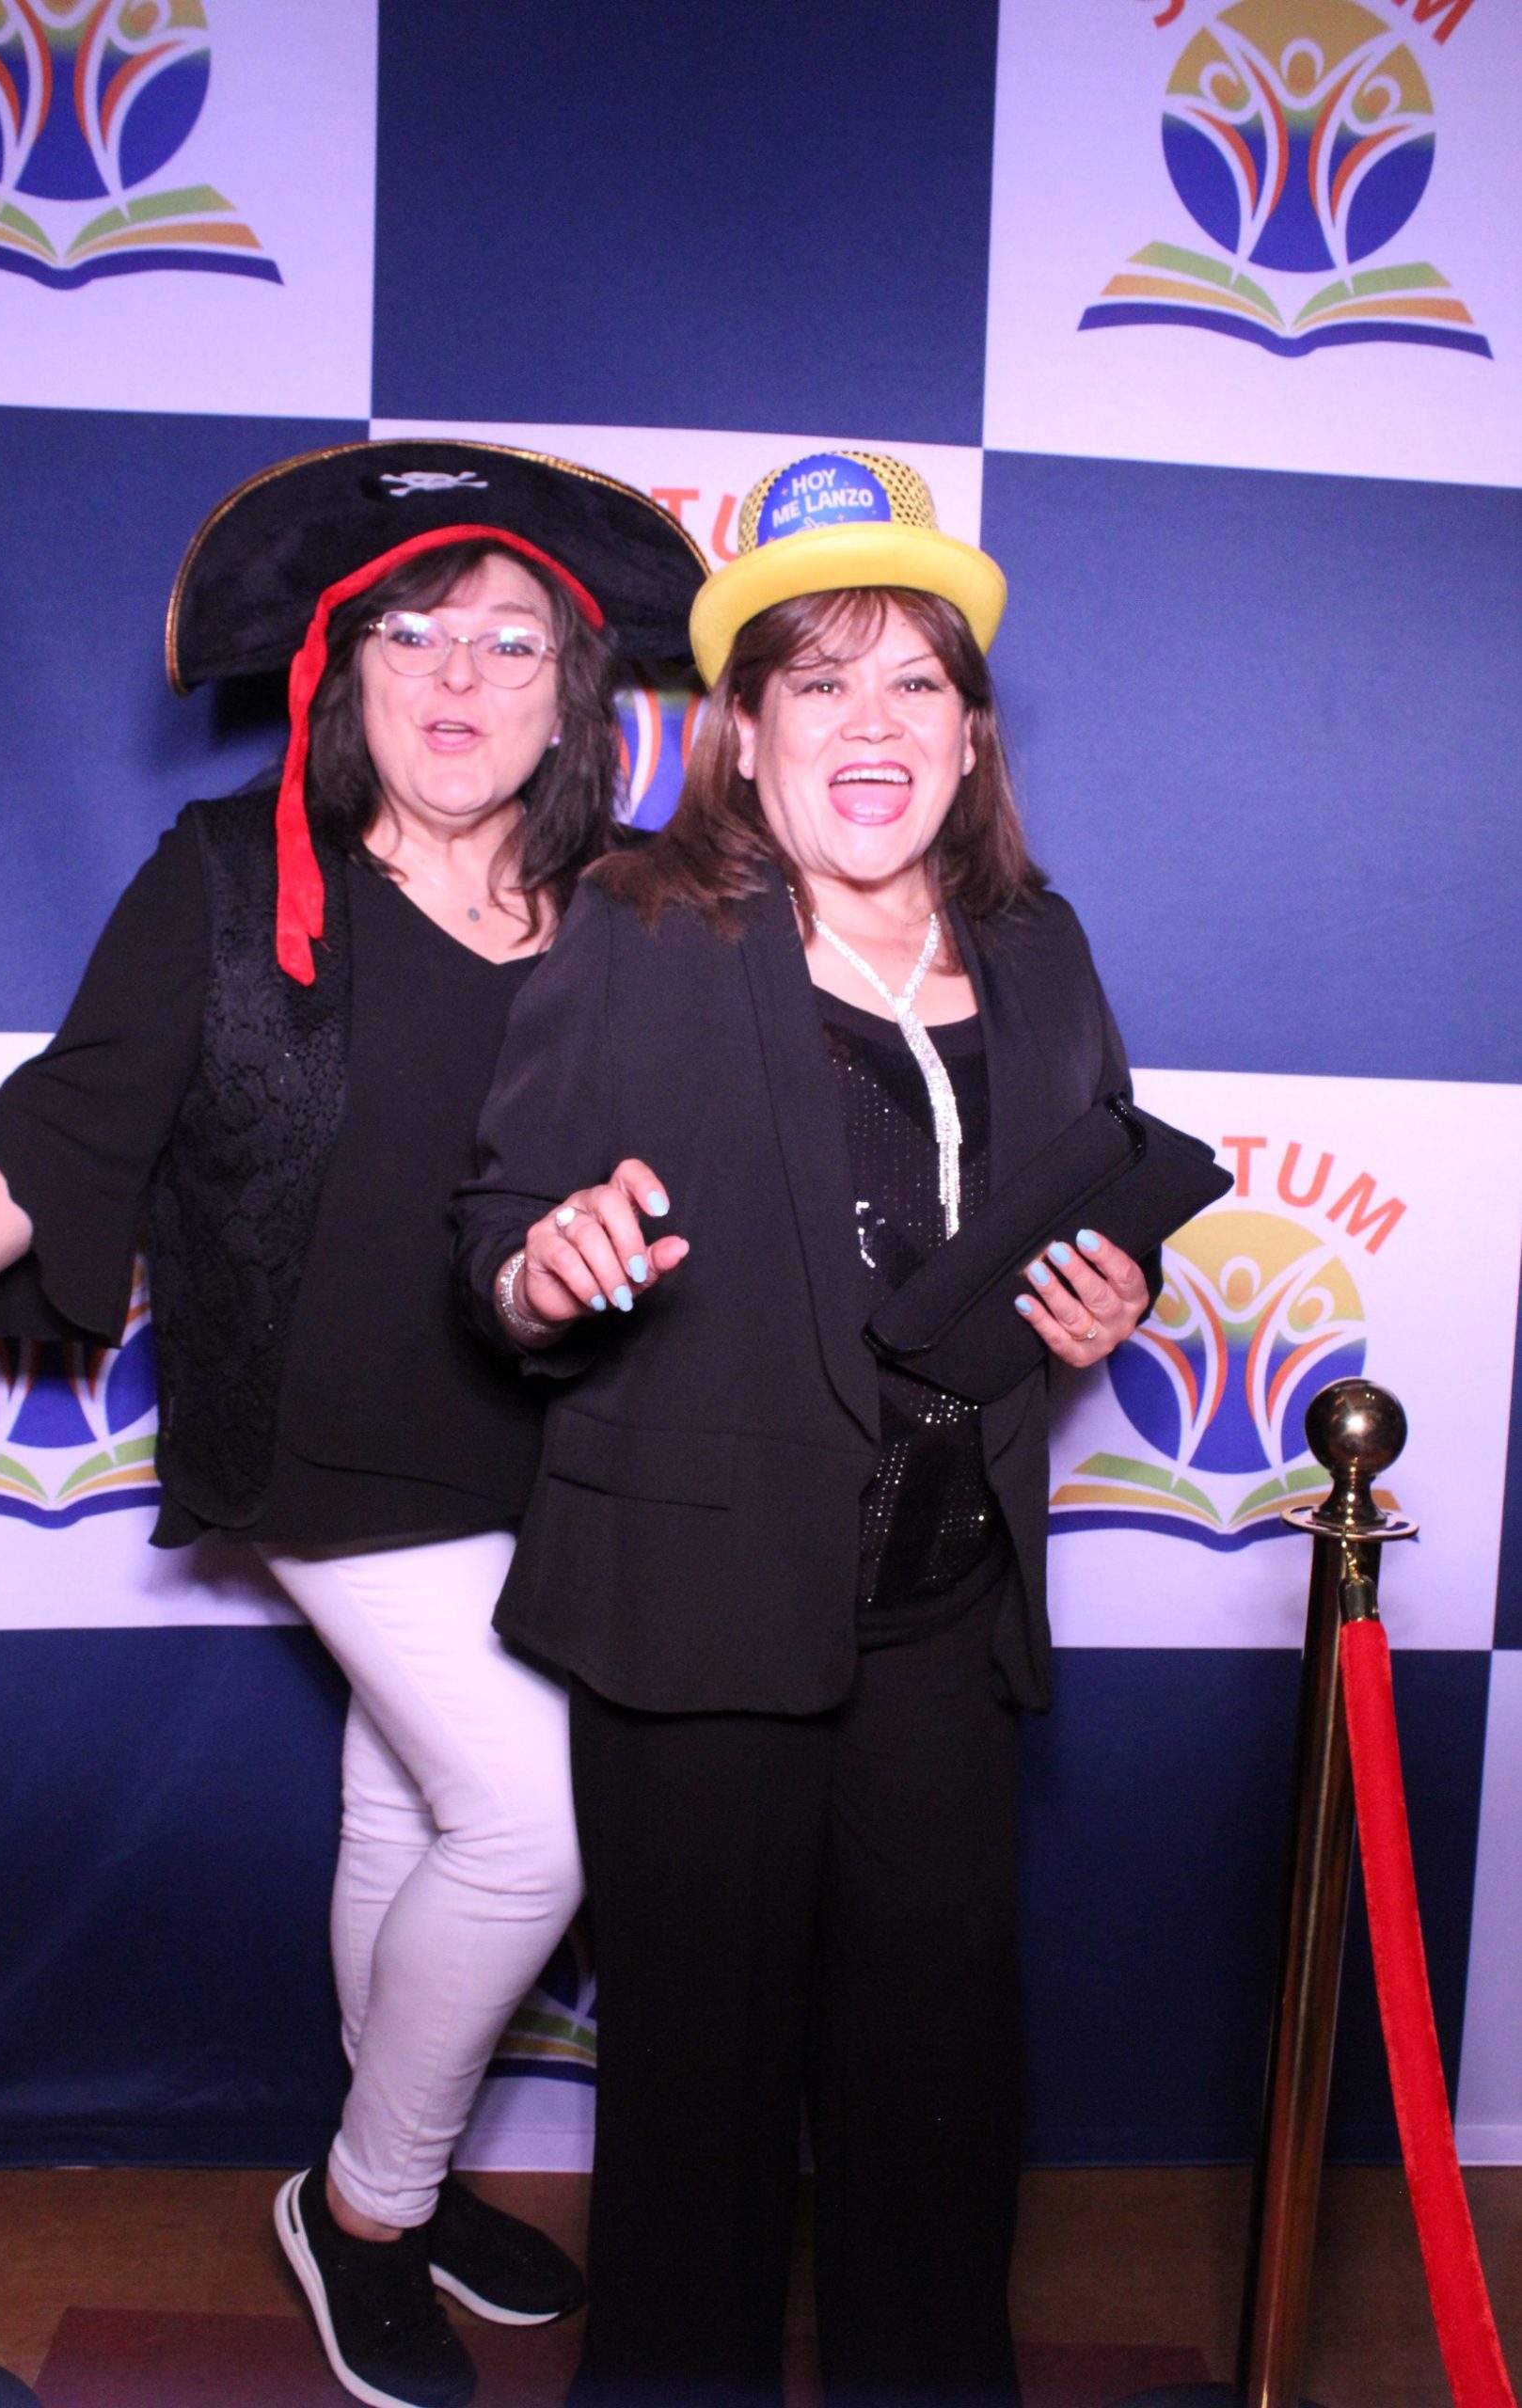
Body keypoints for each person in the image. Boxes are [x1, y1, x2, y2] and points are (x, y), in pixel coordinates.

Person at [0, 441, 706, 2408]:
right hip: (325, 1431)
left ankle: (393, 2179)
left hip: (559, 1431)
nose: (458, 675)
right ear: (342, 672)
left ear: (573, 691)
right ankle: (364, 2207)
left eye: (508, 639)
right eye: (411, 633)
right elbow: (57, 1134)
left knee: (409, 1808)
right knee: (530, 1818)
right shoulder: (223, 870)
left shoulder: (624, 906)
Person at [452, 451, 1155, 2408]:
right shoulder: (639, 922)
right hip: (696, 1608)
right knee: (698, 2119)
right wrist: (546, 1268)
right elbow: (496, 1234)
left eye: (913, 682)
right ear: (744, 736)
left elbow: (1089, 1199)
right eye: (818, 682)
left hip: (940, 1609)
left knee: (939, 2103)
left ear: (970, 736)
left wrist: (1107, 1298)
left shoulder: (1039, 946)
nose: (871, 723)